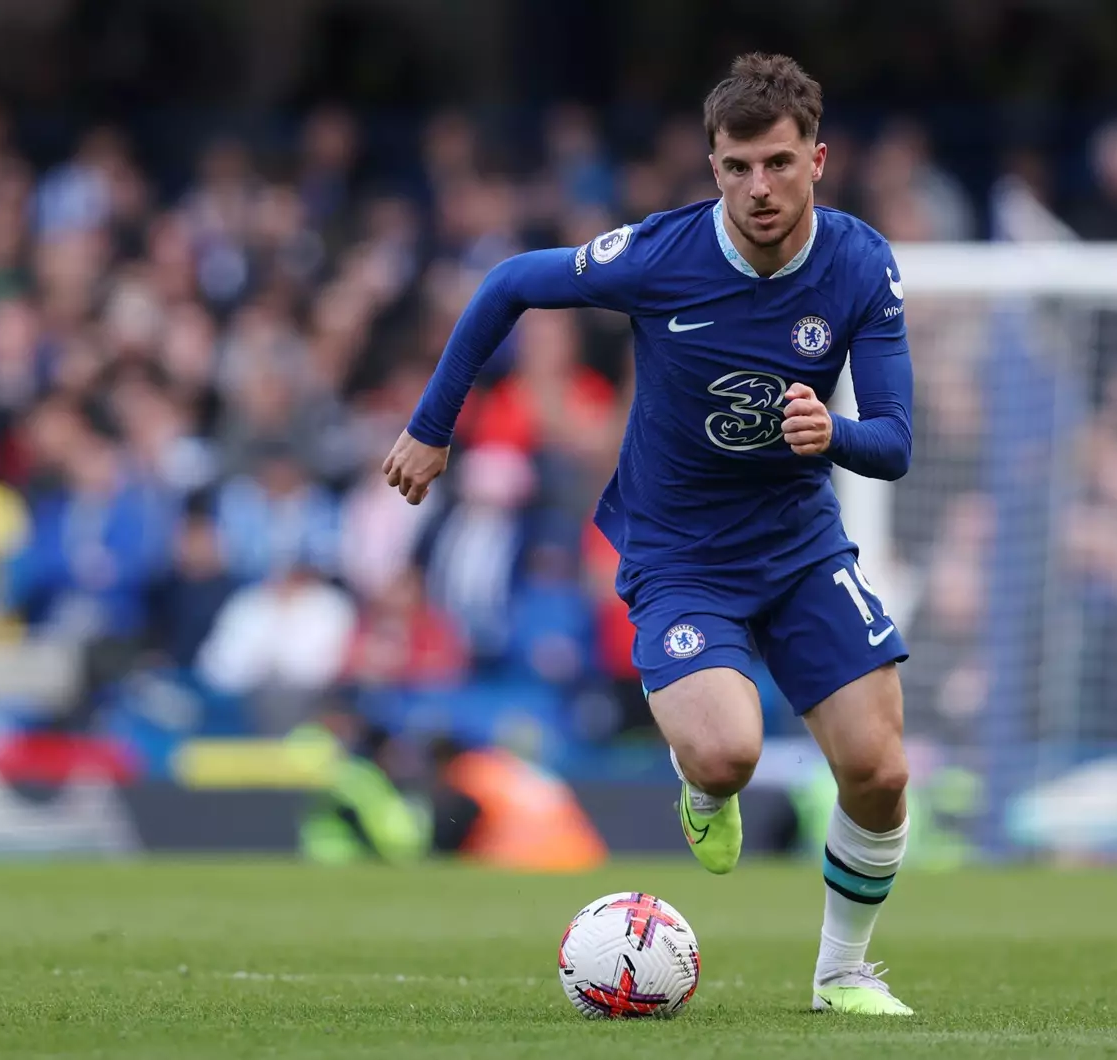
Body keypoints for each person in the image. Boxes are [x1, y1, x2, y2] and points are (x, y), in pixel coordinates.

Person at [384, 53, 914, 1016]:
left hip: (800, 548)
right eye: (738, 166)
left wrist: (833, 432)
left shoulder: (861, 264)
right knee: (728, 756)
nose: (760, 187)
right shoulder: (660, 256)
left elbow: (894, 441)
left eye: (780, 164)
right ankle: (699, 789)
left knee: (879, 772)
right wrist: (432, 426)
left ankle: (843, 971)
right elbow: (508, 283)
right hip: (681, 556)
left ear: (817, 161)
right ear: (713, 166)